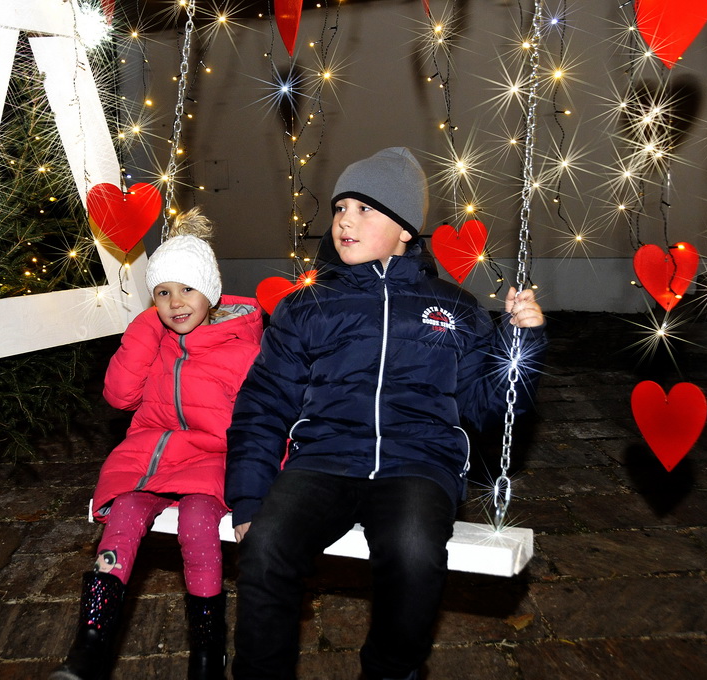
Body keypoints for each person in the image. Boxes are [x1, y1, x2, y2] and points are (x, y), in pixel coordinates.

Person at [224, 147, 546, 680]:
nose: (344, 220)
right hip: (324, 460)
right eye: (340, 208)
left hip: (417, 463)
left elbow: (488, 408)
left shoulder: (455, 308)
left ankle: (390, 672)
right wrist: (249, 497)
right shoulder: (308, 306)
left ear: (405, 230)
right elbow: (263, 403)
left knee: (414, 551)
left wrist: (520, 344)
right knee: (266, 548)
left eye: (364, 208)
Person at [51, 207, 263, 680]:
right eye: (163, 293)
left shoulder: (242, 351)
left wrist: (263, 488)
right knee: (125, 512)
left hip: (212, 459)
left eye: (187, 289)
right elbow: (119, 396)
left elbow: (264, 422)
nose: (175, 302)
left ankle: (207, 651)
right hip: (150, 456)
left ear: (210, 291)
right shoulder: (155, 338)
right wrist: (145, 328)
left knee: (196, 522)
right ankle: (90, 645)